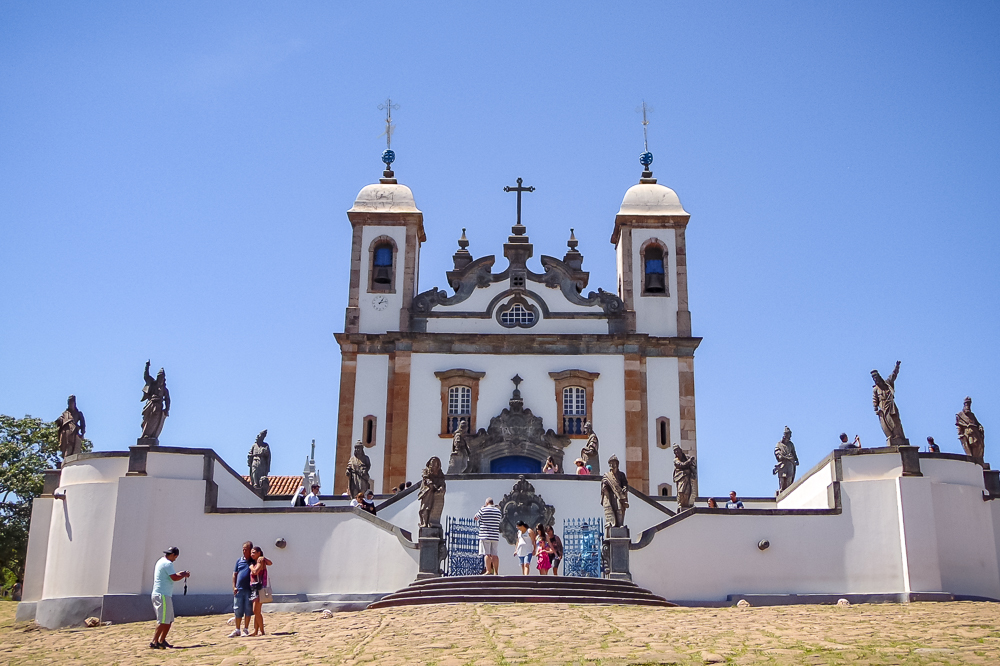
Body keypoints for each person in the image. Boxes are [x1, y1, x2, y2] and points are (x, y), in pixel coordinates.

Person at [150, 546, 190, 650]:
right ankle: (154, 641)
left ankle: (162, 640)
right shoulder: (168, 564)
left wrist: (181, 574)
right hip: (162, 595)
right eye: (175, 557)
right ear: (173, 555)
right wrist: (183, 575)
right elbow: (174, 577)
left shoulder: (161, 561)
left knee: (169, 620)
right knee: (163, 620)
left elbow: (171, 575)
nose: (175, 559)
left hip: (165, 594)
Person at [229, 541, 254, 638]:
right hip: (239, 589)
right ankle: (237, 629)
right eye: (243, 549)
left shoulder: (253, 561)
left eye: (246, 549)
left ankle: (246, 629)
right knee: (237, 609)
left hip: (249, 590)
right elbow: (234, 574)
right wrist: (234, 586)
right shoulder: (239, 561)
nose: (244, 551)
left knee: (248, 609)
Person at [473, 497, 502, 575]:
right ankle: (496, 571)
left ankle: (488, 570)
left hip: (485, 535)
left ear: (486, 503)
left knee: (487, 554)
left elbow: (475, 518)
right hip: (495, 535)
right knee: (495, 554)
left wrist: (482, 508)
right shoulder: (498, 511)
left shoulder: (483, 510)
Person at [249, 546, 272, 636]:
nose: (252, 554)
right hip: (255, 588)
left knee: (256, 611)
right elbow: (270, 563)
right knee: (257, 611)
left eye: (254, 552)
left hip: (259, 588)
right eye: (251, 552)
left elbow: (255, 572)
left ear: (259, 552)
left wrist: (251, 567)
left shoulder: (259, 561)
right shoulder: (259, 560)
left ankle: (261, 631)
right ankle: (256, 631)